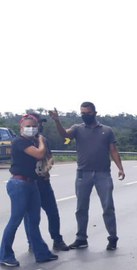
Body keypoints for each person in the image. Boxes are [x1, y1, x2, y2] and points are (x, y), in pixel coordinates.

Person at [49, 102, 126, 251]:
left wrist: (120, 168)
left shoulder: (107, 130)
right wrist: (57, 121)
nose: (85, 116)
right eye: (82, 113)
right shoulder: (78, 129)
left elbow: (113, 150)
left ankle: (112, 238)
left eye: (88, 113)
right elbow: (65, 134)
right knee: (81, 208)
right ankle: (81, 238)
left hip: (103, 174)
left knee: (108, 206)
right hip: (83, 174)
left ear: (95, 113)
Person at [0, 114, 59, 267]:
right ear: (21, 127)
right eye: (27, 126)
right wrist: (41, 141)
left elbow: (46, 158)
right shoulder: (19, 141)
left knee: (34, 220)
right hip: (19, 184)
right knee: (16, 219)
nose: (31, 128)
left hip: (32, 183)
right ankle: (5, 255)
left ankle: (41, 252)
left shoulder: (31, 141)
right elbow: (39, 154)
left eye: (34, 126)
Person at [23, 113, 70, 252]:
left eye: (38, 124)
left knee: (53, 212)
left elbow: (49, 156)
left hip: (43, 181)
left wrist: (48, 165)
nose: (37, 127)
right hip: (29, 182)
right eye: (33, 124)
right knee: (30, 215)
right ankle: (32, 242)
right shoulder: (22, 141)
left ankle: (57, 240)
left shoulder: (43, 140)